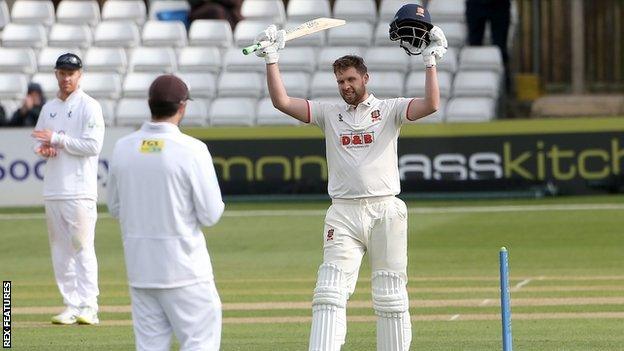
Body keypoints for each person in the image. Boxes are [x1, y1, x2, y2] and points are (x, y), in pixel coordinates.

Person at [254, 4, 446, 351]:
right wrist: (272, 59)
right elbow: (282, 102)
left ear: (365, 78)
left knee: (389, 294)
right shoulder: (329, 114)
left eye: (351, 80)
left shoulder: (389, 110)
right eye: (340, 81)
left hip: (385, 209)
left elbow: (431, 104)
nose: (345, 86)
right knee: (328, 292)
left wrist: (430, 62)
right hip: (342, 212)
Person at [107, 74, 225, 351]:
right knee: (200, 344)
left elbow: (114, 207)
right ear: (182, 106)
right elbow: (211, 214)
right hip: (186, 270)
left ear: (150, 104)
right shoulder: (193, 150)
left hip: (141, 270)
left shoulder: (123, 147)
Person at [31, 53, 105, 325]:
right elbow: (38, 141)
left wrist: (58, 140)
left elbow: (93, 146)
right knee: (60, 251)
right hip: (54, 190)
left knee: (82, 247)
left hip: (80, 191)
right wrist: (43, 149)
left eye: (71, 73)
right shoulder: (49, 107)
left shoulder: (89, 106)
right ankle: (71, 304)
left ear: (80, 75)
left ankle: (90, 306)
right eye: (62, 73)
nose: (66, 78)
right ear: (56, 74)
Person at [465, 0, 512, 89]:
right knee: (474, 48)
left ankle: (504, 88)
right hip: (475, 4)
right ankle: (473, 82)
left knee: (500, 49)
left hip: (500, 5)